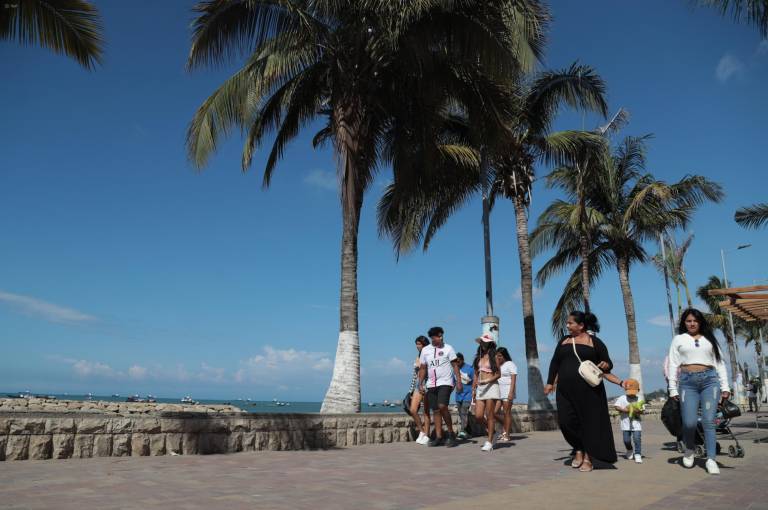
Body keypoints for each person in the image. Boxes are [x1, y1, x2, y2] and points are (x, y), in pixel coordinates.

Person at [544, 311, 623, 472]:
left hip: (590, 391)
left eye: (570, 323)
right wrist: (550, 382)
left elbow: (607, 363)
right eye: (567, 323)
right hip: (565, 390)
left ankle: (588, 456)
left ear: (581, 325)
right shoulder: (564, 341)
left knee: (589, 423)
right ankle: (578, 448)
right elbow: (555, 362)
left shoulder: (594, 342)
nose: (567, 325)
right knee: (566, 422)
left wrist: (606, 365)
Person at [668, 308, 730, 475]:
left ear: (700, 322)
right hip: (687, 383)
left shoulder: (710, 339)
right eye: (689, 321)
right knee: (689, 422)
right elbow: (673, 364)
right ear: (684, 323)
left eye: (695, 321)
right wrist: (672, 387)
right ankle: (689, 449)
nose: (692, 323)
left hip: (710, 381)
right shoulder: (679, 339)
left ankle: (711, 459)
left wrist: (725, 387)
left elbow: (720, 363)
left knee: (709, 422)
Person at [418, 326, 462, 447]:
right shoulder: (425, 350)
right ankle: (439, 436)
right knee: (436, 410)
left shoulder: (448, 348)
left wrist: (458, 381)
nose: (438, 339)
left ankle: (451, 433)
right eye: (435, 337)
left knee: (442, 406)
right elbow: (423, 368)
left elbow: (455, 366)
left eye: (439, 336)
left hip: (446, 382)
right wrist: (420, 383)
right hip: (431, 384)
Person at [472, 334, 500, 452]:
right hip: (480, 388)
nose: (483, 344)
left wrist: (488, 380)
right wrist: (474, 389)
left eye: (485, 342)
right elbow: (476, 374)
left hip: (491, 386)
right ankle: (493, 432)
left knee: (490, 415)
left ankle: (489, 442)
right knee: (478, 416)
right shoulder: (478, 357)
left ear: (490, 344)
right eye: (481, 342)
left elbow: (498, 374)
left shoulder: (494, 356)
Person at [614, 379, 644, 463]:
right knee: (626, 440)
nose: (631, 394)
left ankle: (637, 454)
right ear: (625, 390)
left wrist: (637, 411)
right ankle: (629, 449)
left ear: (638, 390)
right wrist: (624, 410)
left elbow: (642, 411)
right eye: (629, 392)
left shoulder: (639, 399)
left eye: (633, 392)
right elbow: (616, 406)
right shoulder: (622, 398)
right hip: (625, 424)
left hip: (636, 424)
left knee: (637, 439)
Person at [408, 336, 432, 445]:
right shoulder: (418, 357)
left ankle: (427, 435)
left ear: (425, 344)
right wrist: (411, 390)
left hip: (428, 385)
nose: (417, 346)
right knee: (413, 410)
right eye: (416, 344)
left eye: (419, 344)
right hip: (418, 385)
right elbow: (415, 375)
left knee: (426, 411)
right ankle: (422, 431)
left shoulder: (429, 355)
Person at [494, 347, 517, 443]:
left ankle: (507, 434)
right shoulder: (497, 365)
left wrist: (511, 393)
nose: (498, 357)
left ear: (504, 356)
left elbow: (513, 379)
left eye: (500, 356)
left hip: (507, 391)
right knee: (494, 412)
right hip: (498, 392)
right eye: (497, 356)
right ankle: (506, 426)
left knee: (506, 413)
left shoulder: (510, 364)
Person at [454, 353, 474, 439]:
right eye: (455, 361)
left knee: (464, 412)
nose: (457, 363)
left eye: (458, 361)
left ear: (462, 360)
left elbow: (475, 381)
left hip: (468, 395)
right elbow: (453, 382)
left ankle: (462, 431)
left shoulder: (470, 369)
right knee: (461, 414)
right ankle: (468, 431)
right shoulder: (455, 369)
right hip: (458, 395)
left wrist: (474, 393)